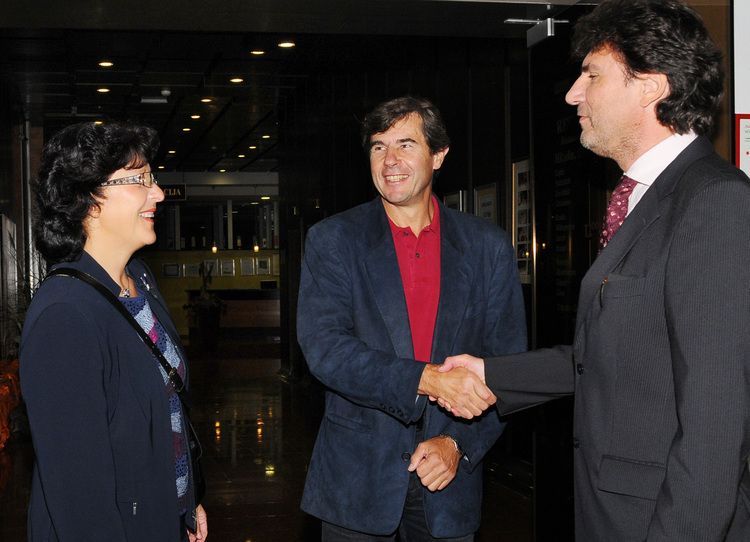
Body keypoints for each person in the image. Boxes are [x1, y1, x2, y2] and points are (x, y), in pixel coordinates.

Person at [437, 0, 750, 540]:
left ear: (651, 87)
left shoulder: (713, 201)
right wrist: (490, 374)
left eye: (592, 75)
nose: (573, 94)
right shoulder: (644, 198)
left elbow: (716, 419)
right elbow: (609, 358)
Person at [296, 96, 526, 540]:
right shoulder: (333, 240)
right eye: (378, 147)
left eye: (406, 144)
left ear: (438, 155)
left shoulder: (487, 247)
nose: (390, 161)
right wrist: (427, 380)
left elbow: (506, 367)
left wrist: (458, 443)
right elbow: (326, 350)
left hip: (447, 480)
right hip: (356, 480)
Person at [20, 122, 208, 541]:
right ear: (88, 200)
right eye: (141, 179)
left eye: (152, 178)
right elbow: (79, 495)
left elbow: (167, 410)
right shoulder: (64, 315)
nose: (158, 193)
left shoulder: (138, 278)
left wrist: (186, 500)